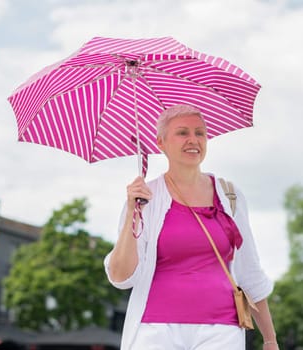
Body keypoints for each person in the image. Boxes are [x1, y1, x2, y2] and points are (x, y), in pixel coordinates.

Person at [104, 104, 279, 350]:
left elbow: (250, 271)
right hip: (155, 330)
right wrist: (134, 210)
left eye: (200, 133)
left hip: (222, 329)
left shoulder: (230, 196)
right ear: (161, 143)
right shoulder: (145, 198)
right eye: (182, 132)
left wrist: (270, 339)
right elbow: (121, 277)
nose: (193, 140)